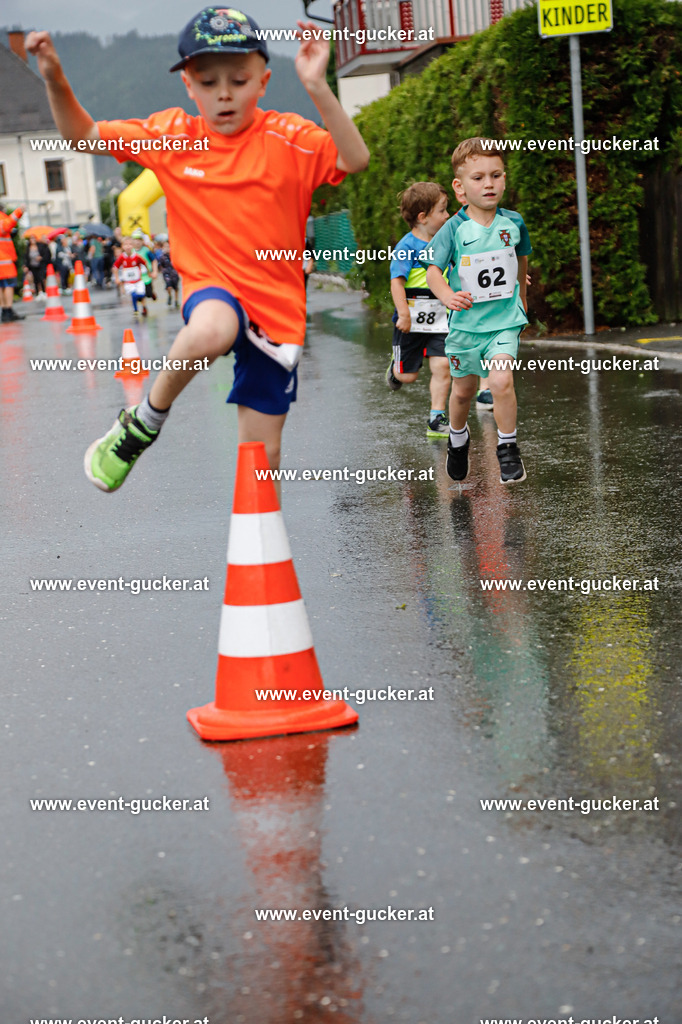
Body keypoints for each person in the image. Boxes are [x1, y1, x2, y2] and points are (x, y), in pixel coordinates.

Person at [28, 9, 369, 494]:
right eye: (208, 82)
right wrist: (55, 78)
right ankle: (144, 420)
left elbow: (355, 159)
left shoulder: (288, 137)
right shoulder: (173, 135)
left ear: (264, 80)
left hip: (277, 312)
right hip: (212, 287)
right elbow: (81, 136)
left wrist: (317, 85)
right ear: (189, 85)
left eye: (239, 79)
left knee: (263, 454)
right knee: (212, 328)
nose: (224, 93)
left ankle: (257, 554)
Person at [426, 137, 530, 485]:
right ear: (459, 187)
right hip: (466, 327)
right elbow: (432, 271)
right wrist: (446, 296)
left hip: (503, 322)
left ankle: (508, 447)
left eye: (496, 175)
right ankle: (458, 440)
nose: (489, 183)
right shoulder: (452, 229)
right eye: (478, 177)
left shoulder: (514, 222)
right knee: (463, 392)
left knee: (501, 380)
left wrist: (523, 297)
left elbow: (521, 257)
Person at [385, 181, 452, 438]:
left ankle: (436, 417)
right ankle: (395, 367)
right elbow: (396, 282)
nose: (447, 216)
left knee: (443, 366)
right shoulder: (406, 247)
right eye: (443, 211)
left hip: (441, 316)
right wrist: (403, 314)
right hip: (411, 317)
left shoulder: (447, 242)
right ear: (423, 218)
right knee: (407, 377)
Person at [0, 203, 25, 323]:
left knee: (1, 287)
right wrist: (19, 211)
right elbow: (6, 226)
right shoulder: (1, 218)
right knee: (8, 285)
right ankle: (8, 311)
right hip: (4, 261)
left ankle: (4, 311)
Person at [112, 236, 149, 317]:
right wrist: (117, 278)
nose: (128, 246)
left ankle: (144, 307)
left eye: (130, 244)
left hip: (138, 280)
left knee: (141, 294)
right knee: (133, 295)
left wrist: (149, 273)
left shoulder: (136, 256)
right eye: (126, 244)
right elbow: (115, 267)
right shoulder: (122, 257)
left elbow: (145, 263)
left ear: (133, 246)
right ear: (122, 246)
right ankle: (135, 309)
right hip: (129, 282)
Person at [131, 229, 158, 303]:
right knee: (141, 294)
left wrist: (155, 271)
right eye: (135, 240)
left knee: (148, 293)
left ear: (142, 241)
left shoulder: (146, 250)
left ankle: (151, 294)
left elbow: (154, 260)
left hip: (147, 275)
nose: (137, 242)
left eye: (139, 240)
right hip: (137, 276)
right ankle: (144, 308)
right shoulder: (132, 252)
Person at [157, 240, 180, 308]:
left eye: (168, 246)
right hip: (166, 273)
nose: (167, 248)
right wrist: (160, 270)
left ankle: (176, 300)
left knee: (175, 288)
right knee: (168, 286)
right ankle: (170, 295)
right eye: (165, 247)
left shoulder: (174, 255)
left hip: (174, 273)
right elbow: (160, 265)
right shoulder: (162, 257)